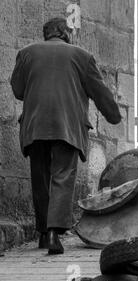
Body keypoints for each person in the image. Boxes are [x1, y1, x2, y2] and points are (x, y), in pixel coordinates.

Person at [10, 18, 122, 255]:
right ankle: (53, 233)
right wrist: (114, 116)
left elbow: (18, 91)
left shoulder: (26, 53)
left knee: (40, 177)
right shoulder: (82, 56)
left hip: (35, 126)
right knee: (62, 176)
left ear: (46, 34)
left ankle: (42, 232)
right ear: (64, 33)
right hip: (67, 127)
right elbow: (99, 91)